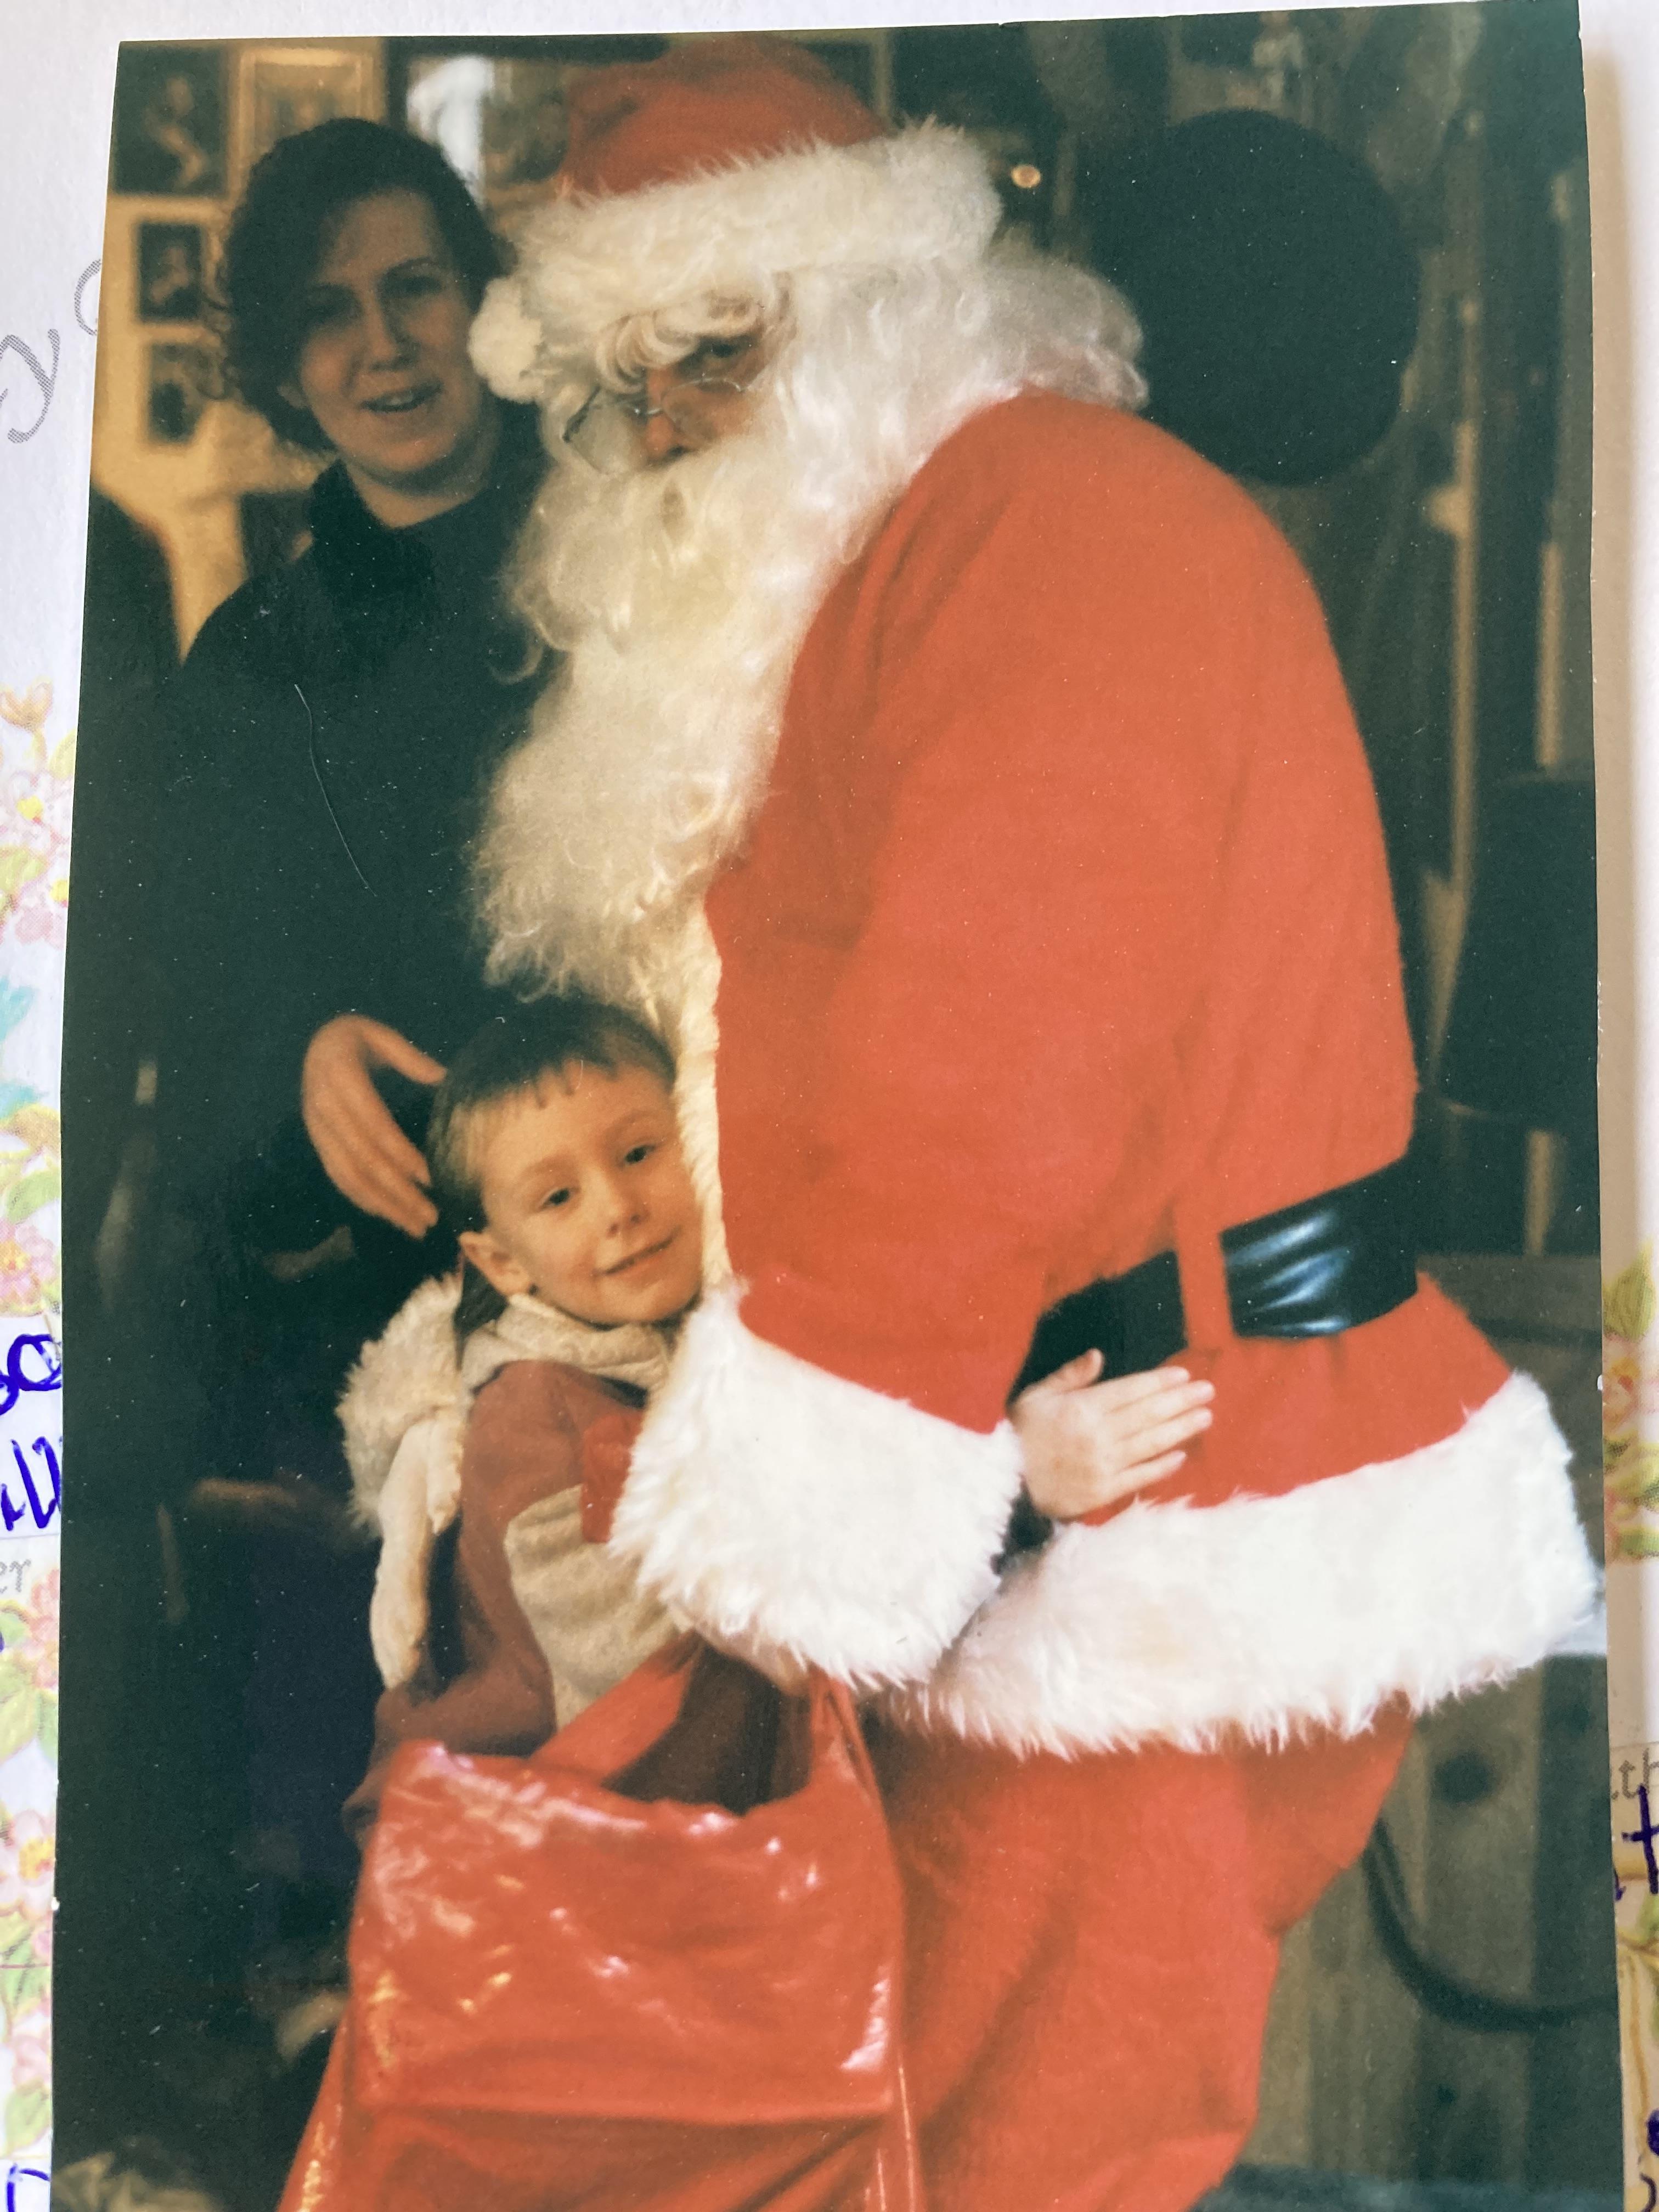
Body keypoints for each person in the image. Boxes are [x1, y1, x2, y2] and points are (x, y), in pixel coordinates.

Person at [448, 38, 1595, 2211]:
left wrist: (834, 1509)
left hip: (1121, 1485)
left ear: (886, 299)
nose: (675, 424)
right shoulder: (922, 547)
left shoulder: (1043, 527)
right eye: (629, 383)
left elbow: (991, 1068)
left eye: (720, 345)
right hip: (1017, 1482)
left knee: (1020, 2155)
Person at [337, 994, 1216, 1833]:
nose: (618, 1208)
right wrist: (1007, 1487)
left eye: (641, 1152)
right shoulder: (544, 1425)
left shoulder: (676, 1326)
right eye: (557, 1198)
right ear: (501, 1261)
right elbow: (710, 1688)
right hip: (520, 1856)